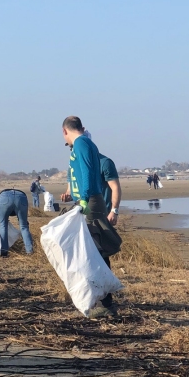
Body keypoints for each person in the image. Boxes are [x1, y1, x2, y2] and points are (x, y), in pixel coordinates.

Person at [58, 117, 120, 318]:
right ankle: (99, 299)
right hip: (88, 201)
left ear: (64, 131)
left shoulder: (82, 143)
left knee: (95, 251)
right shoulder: (83, 144)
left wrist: (83, 200)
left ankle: (106, 303)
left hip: (90, 203)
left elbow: (86, 172)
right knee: (91, 249)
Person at [0, 189, 34, 256]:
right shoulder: (20, 194)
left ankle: (4, 251)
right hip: (21, 197)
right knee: (24, 226)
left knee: (3, 225)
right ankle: (30, 251)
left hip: (4, 197)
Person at [100, 155, 122, 226]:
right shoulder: (75, 163)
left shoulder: (105, 163)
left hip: (104, 212)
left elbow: (115, 187)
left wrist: (114, 211)